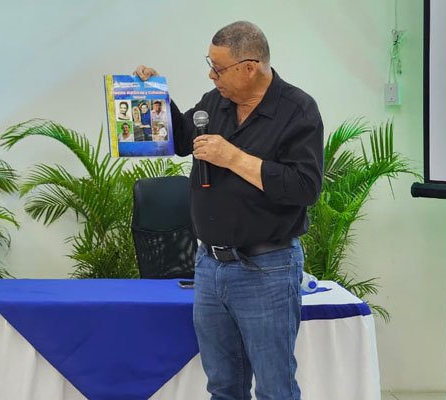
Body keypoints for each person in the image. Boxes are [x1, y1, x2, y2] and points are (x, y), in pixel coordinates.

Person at [134, 20, 323, 400]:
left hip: (267, 269)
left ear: (250, 67)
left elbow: (304, 187)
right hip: (210, 266)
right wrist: (155, 97)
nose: (211, 75)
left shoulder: (297, 110)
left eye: (218, 68)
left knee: (275, 389)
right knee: (222, 386)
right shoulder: (214, 102)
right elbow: (182, 139)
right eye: (211, 64)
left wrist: (234, 158)